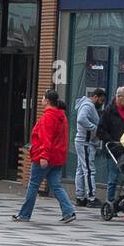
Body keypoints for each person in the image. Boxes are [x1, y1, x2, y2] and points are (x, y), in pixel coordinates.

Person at [12, 89, 76, 224]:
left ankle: (24, 214)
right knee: (56, 185)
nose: (41, 99)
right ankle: (69, 211)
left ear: (47, 100)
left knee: (33, 185)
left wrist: (43, 156)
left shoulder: (48, 117)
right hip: (57, 157)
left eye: (42, 97)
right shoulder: (61, 116)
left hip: (46, 156)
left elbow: (46, 138)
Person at [96, 85, 124, 204]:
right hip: (114, 148)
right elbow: (100, 131)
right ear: (118, 97)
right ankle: (110, 202)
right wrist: (111, 140)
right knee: (113, 177)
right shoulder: (109, 111)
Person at [73, 87, 105, 207]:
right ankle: (91, 197)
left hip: (82, 141)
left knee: (81, 169)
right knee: (89, 170)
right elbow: (81, 119)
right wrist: (94, 128)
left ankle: (80, 197)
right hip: (85, 142)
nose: (101, 104)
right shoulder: (88, 106)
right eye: (101, 100)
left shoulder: (85, 104)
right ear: (95, 97)